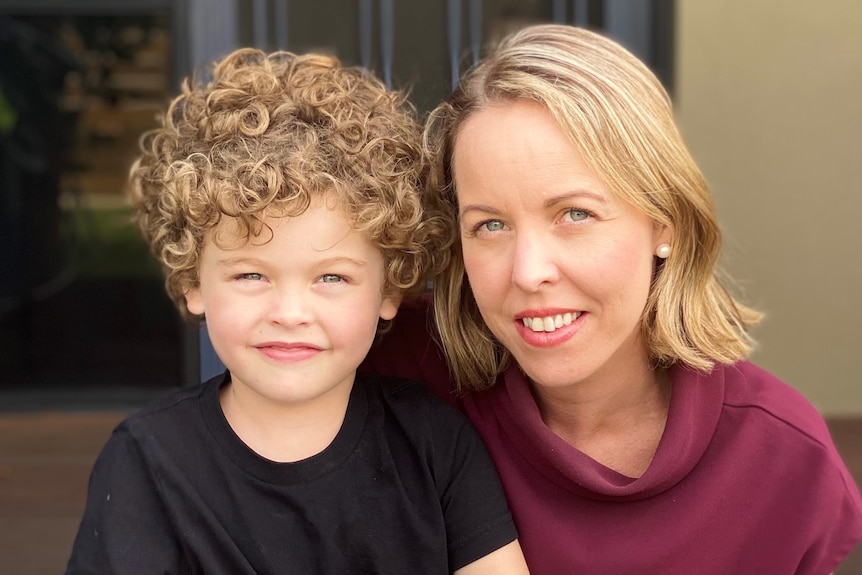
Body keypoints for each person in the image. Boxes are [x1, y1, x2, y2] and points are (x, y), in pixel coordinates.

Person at [361, 24, 862, 574]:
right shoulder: (389, 367)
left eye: (576, 214)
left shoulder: (784, 458)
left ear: (663, 224)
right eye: (491, 225)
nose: (529, 272)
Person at [65, 48, 529, 575]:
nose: (289, 312)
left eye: (331, 277)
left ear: (390, 288)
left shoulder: (435, 446)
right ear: (194, 279)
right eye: (250, 275)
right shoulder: (147, 463)